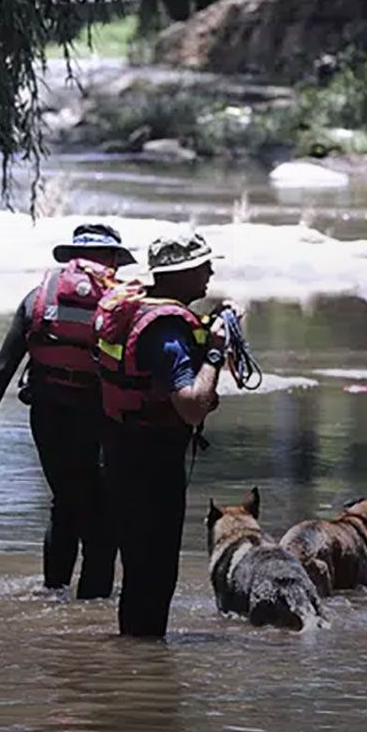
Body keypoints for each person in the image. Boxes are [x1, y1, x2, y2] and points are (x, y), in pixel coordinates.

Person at [0, 222, 135, 597]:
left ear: (73, 257)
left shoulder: (38, 298)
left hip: (48, 417)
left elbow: (1, 371)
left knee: (65, 502)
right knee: (101, 523)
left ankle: (53, 597)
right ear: (111, 259)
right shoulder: (123, 304)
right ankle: (89, 617)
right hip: (100, 418)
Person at [94, 232, 229, 637]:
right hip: (151, 462)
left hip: (122, 449)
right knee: (155, 571)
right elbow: (191, 406)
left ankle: (132, 655)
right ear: (180, 273)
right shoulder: (167, 330)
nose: (210, 272)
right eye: (203, 266)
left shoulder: (140, 308)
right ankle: (145, 659)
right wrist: (216, 351)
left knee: (139, 568)